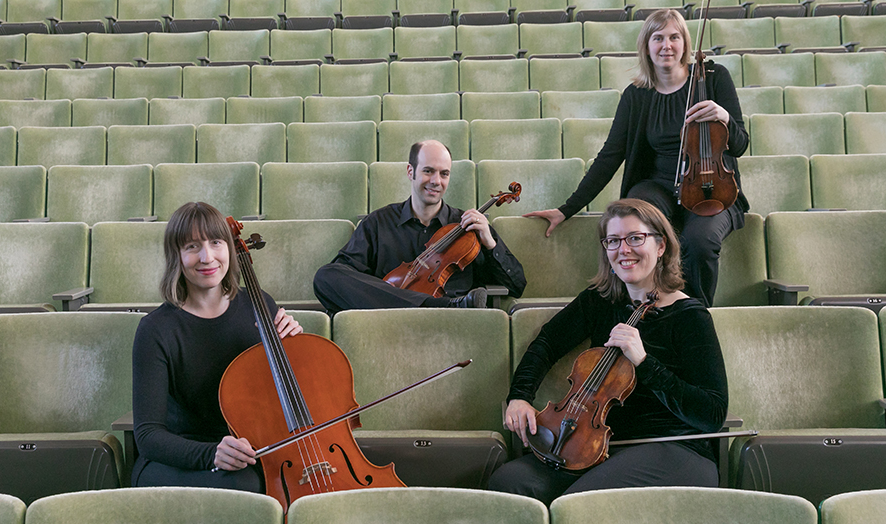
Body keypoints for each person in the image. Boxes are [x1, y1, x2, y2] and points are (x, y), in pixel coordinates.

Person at [488, 198, 728, 505]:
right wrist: (518, 396)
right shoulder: (601, 300)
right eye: (613, 241)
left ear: (661, 246)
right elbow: (547, 342)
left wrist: (643, 361)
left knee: (583, 505)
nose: (623, 249)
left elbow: (712, 413)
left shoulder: (689, 316)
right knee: (509, 484)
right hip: (591, 445)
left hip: (672, 449)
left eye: (635, 238)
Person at [523, 9, 749, 308]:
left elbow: (740, 144)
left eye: (674, 37)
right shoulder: (637, 95)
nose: (666, 45)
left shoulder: (713, 77)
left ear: (685, 43)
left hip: (712, 186)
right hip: (657, 186)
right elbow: (610, 156)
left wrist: (724, 118)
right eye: (658, 38)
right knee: (635, 224)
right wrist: (567, 209)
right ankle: (642, 306)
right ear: (646, 46)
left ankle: (694, 314)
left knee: (699, 242)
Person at [131, 201, 303, 491]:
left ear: (229, 249)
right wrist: (211, 454)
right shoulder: (155, 330)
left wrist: (296, 347)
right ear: (176, 256)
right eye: (192, 247)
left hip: (252, 450)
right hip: (181, 457)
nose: (207, 257)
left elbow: (284, 398)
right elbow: (148, 436)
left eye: (216, 242)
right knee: (243, 486)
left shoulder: (258, 305)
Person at [313, 139, 526, 313]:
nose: (436, 181)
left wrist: (490, 243)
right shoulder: (378, 223)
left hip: (450, 325)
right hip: (392, 321)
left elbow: (516, 285)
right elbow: (340, 274)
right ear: (410, 171)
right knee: (325, 276)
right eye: (428, 171)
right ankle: (438, 305)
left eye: (444, 174)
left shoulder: (469, 227)